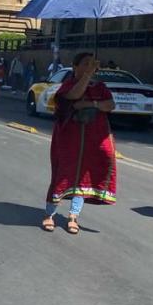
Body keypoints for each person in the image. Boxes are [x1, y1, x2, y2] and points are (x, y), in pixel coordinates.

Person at [42, 52, 117, 234]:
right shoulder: (68, 85)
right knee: (64, 174)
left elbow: (110, 105)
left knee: (84, 176)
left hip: (94, 138)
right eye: (85, 64)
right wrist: (87, 77)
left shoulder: (100, 87)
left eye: (92, 64)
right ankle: (49, 214)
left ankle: (73, 216)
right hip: (69, 139)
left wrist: (92, 104)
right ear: (75, 67)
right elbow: (75, 95)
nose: (89, 67)